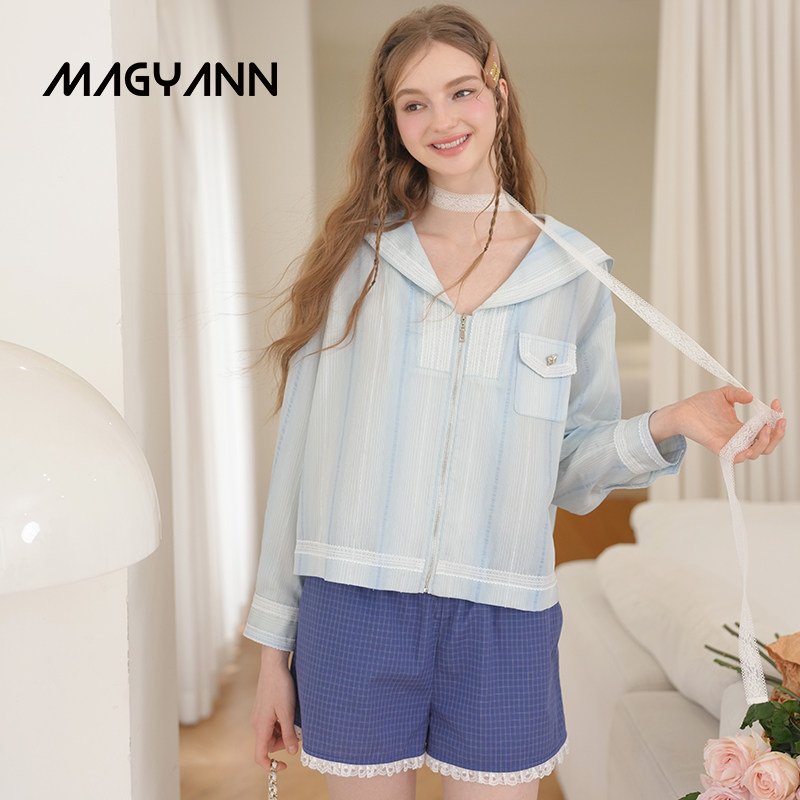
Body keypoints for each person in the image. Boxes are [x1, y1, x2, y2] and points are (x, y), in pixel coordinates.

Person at [245, 6, 786, 799]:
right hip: (355, 604)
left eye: (461, 91)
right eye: (414, 103)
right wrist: (272, 655)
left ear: (499, 94)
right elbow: (297, 459)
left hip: (504, 616)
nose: (442, 120)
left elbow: (567, 466)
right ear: (392, 122)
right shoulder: (357, 264)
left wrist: (669, 423)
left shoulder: (573, 274)